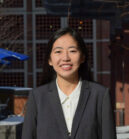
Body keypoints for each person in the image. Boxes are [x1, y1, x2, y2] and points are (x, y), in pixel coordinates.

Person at [22, 27, 116, 139]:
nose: (65, 58)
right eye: (58, 51)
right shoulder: (37, 97)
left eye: (72, 51)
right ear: (49, 60)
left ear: (82, 57)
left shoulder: (100, 96)